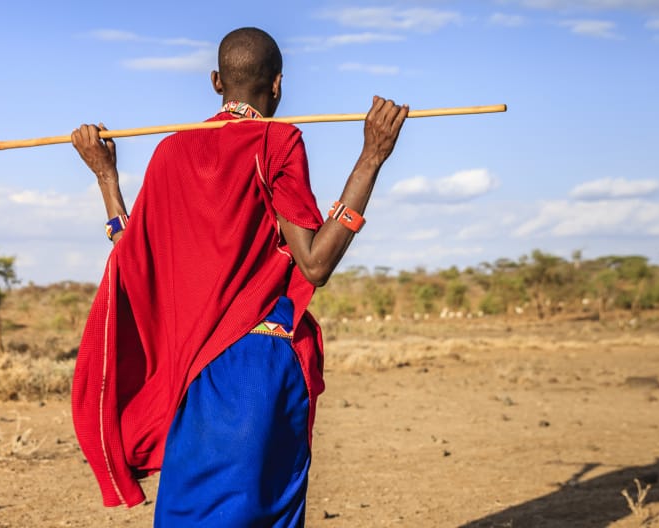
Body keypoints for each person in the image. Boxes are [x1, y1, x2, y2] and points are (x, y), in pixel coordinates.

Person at [69, 27, 407, 526]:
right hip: (257, 367)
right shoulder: (277, 140)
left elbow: (133, 254)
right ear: (277, 87)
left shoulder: (170, 152)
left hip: (197, 376)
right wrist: (371, 158)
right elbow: (315, 262)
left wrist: (105, 176)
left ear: (214, 82)